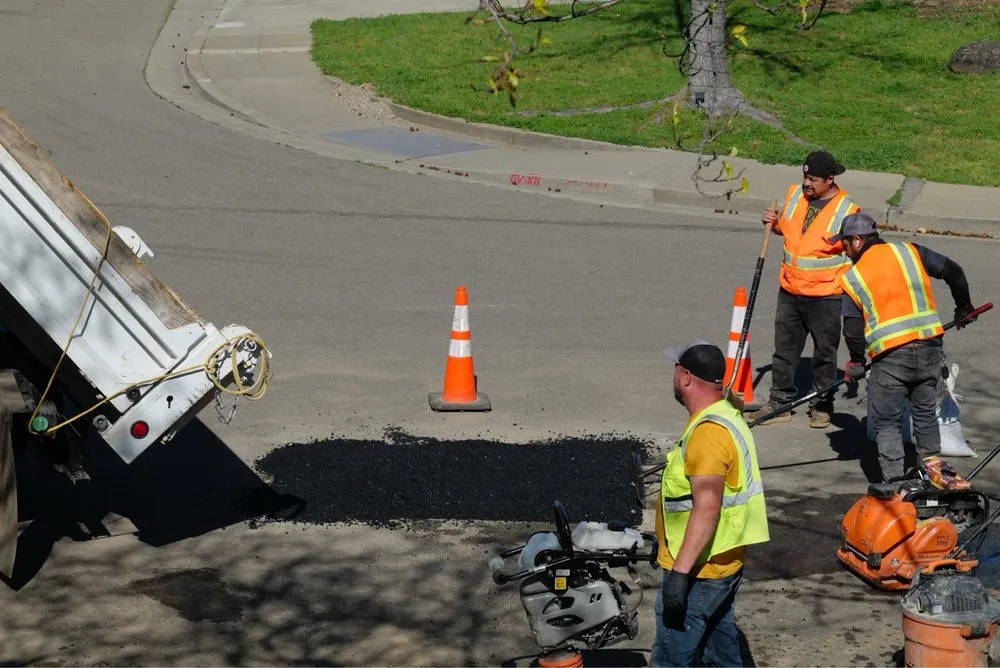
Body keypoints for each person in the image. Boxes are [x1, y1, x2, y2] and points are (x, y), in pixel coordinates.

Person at [831, 211, 977, 481]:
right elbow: (954, 272)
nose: (844, 250)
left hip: (891, 358)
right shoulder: (910, 251)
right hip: (929, 350)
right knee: (925, 415)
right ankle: (932, 479)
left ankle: (894, 484)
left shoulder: (853, 277)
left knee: (887, 423)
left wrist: (857, 363)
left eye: (845, 244)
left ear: (857, 240)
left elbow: (852, 330)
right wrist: (964, 307)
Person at [652, 340, 769, 667]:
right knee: (721, 651)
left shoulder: (707, 434)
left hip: (700, 571)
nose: (673, 376)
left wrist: (680, 573)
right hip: (724, 561)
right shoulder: (727, 414)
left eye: (675, 370)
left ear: (686, 377)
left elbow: (707, 507)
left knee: (670, 658)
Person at [749, 151, 860, 429]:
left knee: (824, 353)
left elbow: (859, 251)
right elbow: (789, 230)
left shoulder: (847, 210)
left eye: (813, 179)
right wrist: (773, 222)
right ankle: (780, 402)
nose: (806, 183)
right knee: (784, 351)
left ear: (830, 179)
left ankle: (821, 404)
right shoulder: (795, 194)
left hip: (826, 295)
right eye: (805, 176)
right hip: (790, 289)